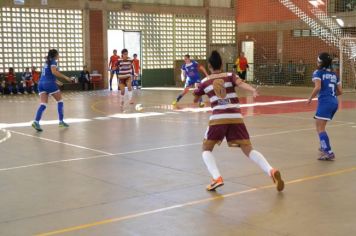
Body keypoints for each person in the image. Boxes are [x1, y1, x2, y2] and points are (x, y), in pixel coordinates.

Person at [193, 50, 284, 192]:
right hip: (236, 117)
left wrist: (197, 91)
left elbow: (195, 98)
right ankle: (270, 170)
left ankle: (216, 178)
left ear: (209, 66)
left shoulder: (205, 82)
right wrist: (253, 90)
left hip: (218, 118)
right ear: (222, 64)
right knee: (248, 149)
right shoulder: (230, 76)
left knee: (206, 149)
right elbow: (241, 84)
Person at [307, 52, 342, 161]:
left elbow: (318, 87)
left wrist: (310, 98)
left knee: (320, 128)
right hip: (334, 102)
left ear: (320, 63)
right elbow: (340, 91)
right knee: (321, 127)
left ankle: (328, 151)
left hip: (325, 103)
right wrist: (330, 96)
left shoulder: (318, 73)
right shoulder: (335, 75)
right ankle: (324, 147)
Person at [32, 49, 72, 132]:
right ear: (55, 55)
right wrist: (66, 77)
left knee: (43, 104)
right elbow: (54, 72)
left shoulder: (47, 62)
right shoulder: (53, 62)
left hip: (41, 84)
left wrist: (57, 81)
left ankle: (36, 121)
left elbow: (48, 74)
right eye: (58, 54)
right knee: (60, 101)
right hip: (49, 84)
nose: (59, 56)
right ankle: (61, 121)